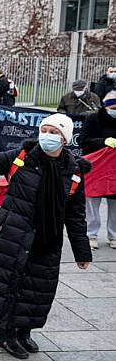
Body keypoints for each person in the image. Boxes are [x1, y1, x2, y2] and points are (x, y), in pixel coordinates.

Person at [0, 113, 91, 359]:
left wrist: (82, 251)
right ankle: (4, 334)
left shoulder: (74, 171)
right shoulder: (21, 157)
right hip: (12, 236)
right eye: (45, 130)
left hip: (47, 240)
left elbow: (75, 215)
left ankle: (24, 331)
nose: (47, 136)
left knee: (36, 288)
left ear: (64, 139)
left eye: (54, 132)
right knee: (8, 285)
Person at [78, 91, 116, 250]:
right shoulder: (93, 119)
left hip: (114, 169)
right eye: (113, 107)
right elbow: (82, 141)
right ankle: (91, 235)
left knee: (115, 205)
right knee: (92, 203)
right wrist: (103, 142)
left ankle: (113, 236)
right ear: (106, 107)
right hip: (96, 168)